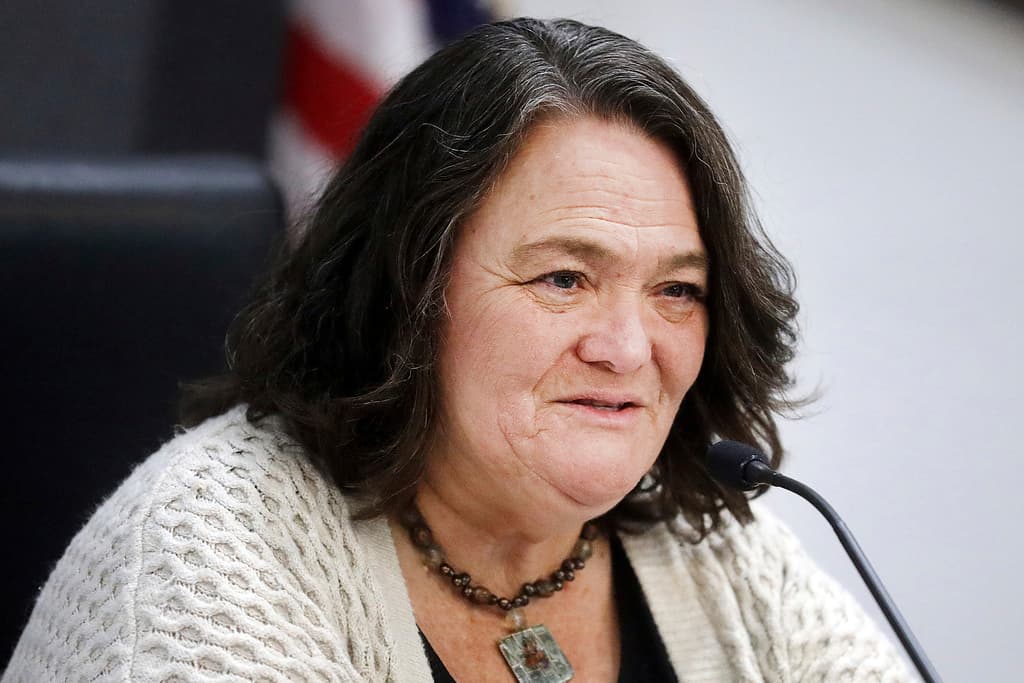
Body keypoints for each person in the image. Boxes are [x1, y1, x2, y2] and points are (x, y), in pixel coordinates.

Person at [4, 17, 912, 683]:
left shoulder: (718, 552)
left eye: (677, 290)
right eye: (564, 277)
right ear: (411, 288)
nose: (629, 346)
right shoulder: (206, 562)